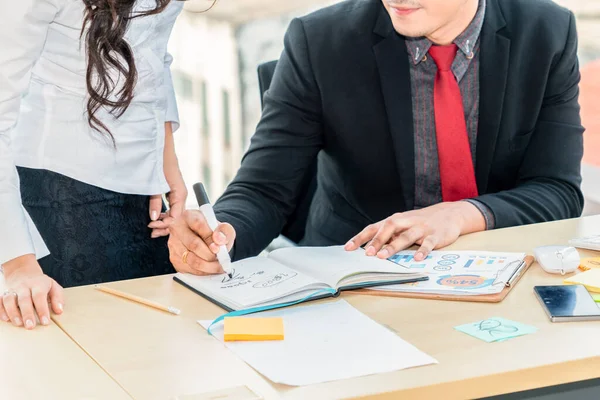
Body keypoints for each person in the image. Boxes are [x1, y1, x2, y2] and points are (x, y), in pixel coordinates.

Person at [167, 0, 584, 276]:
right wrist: (223, 232)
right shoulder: (320, 42)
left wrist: (458, 215)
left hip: (496, 271)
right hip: (356, 278)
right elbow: (264, 190)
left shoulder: (547, 32)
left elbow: (557, 190)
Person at [0, 0, 186, 329]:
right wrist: (17, 265)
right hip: (62, 189)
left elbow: (155, 48)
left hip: (146, 189)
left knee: (158, 346)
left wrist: (166, 164)